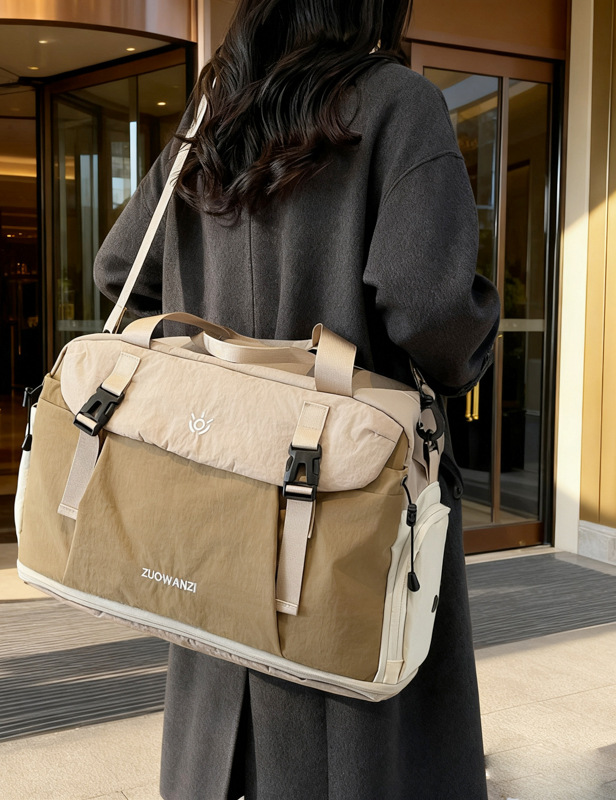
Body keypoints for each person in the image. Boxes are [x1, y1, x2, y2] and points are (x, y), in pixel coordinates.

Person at [93, 1, 500, 797]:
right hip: (350, 507)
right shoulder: (398, 106)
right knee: (367, 727)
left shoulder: (211, 120)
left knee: (221, 734)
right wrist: (475, 328)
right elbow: (429, 308)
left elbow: (119, 272)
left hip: (217, 510)